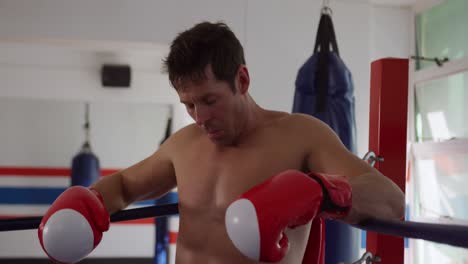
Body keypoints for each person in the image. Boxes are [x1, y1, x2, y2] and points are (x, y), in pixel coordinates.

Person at [37, 21, 405, 264]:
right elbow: (124, 186)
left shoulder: (301, 136)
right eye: (189, 105)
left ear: (242, 80)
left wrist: (321, 191)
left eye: (210, 101)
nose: (199, 117)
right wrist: (89, 199)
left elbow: (391, 202)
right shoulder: (183, 145)